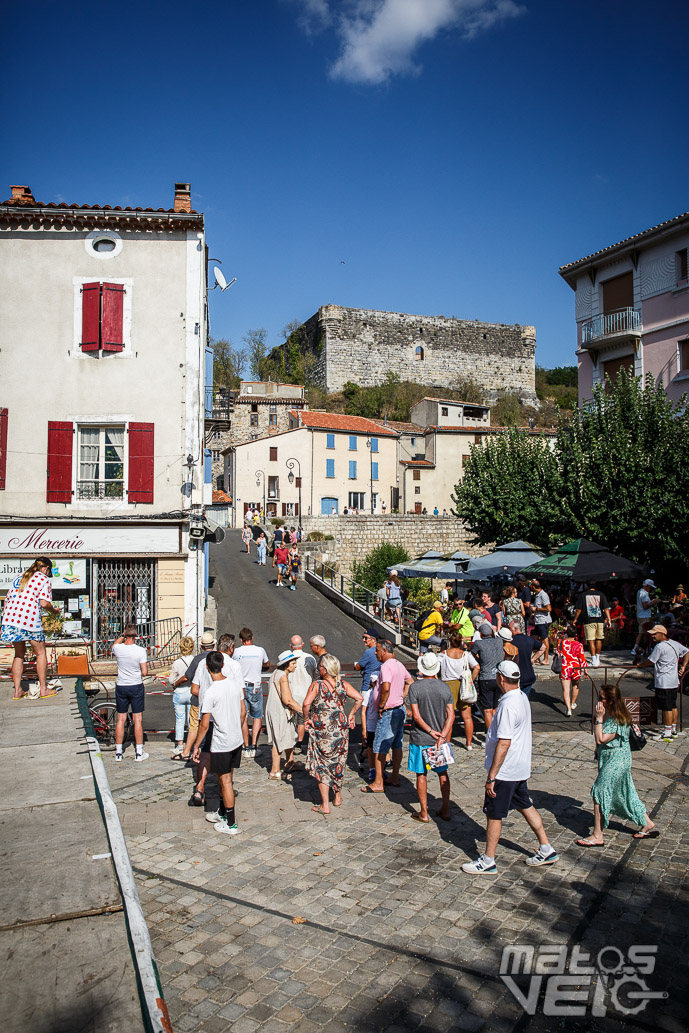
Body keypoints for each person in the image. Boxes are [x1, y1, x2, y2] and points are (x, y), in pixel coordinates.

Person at [462, 660, 559, 876]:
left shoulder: (507, 705)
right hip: (519, 767)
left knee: (494, 814)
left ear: (500, 679)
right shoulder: (522, 697)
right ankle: (546, 847)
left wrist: (492, 776)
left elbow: (504, 742)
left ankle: (488, 860)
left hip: (506, 770)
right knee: (525, 804)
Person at [576, 684, 657, 847]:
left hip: (617, 761)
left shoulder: (618, 719)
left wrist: (598, 718)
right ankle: (647, 822)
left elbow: (600, 739)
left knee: (599, 791)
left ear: (611, 701)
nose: (599, 701)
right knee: (627, 793)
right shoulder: (614, 715)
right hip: (614, 759)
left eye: (601, 698)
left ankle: (597, 835)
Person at [192, 651, 246, 837]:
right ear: (223, 665)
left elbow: (205, 724)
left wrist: (197, 745)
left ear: (207, 668)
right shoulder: (234, 684)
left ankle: (231, 824)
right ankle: (222, 813)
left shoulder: (211, 692)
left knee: (225, 781)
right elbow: (242, 712)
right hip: (236, 739)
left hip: (222, 741)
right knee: (227, 778)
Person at [303, 653, 363, 814]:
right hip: (340, 727)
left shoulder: (318, 685)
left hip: (322, 727)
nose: (318, 668)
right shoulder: (343, 684)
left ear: (325, 670)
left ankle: (325, 805)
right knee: (338, 761)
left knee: (322, 764)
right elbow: (359, 698)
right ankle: (337, 797)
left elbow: (306, 703)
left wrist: (306, 719)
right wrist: (351, 715)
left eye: (320, 666)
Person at [1, 556, 60, 699]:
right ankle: (43, 689)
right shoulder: (43, 579)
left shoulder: (19, 577)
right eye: (48, 571)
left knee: (18, 654)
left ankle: (18, 691)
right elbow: (44, 603)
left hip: (10, 619)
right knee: (40, 653)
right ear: (46, 568)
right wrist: (54, 611)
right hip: (29, 619)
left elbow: (6, 601)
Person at [361, 639, 413, 794]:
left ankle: (378, 782)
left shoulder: (386, 667)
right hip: (399, 709)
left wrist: (382, 705)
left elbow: (386, 687)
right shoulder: (399, 664)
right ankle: (395, 777)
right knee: (397, 744)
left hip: (389, 710)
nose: (375, 653)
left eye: (377, 650)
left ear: (384, 651)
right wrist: (401, 697)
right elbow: (410, 681)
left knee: (379, 746)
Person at [407, 653, 454, 822]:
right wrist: (442, 735)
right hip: (438, 740)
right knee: (442, 773)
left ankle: (424, 812)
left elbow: (417, 716)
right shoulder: (444, 687)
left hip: (421, 737)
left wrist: (429, 731)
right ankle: (446, 809)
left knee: (421, 774)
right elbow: (451, 715)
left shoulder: (415, 688)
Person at [634, 624, 689, 742]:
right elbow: (686, 652)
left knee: (666, 707)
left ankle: (667, 733)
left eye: (654, 633)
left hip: (664, 681)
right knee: (672, 705)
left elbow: (650, 660)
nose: (652, 636)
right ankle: (673, 729)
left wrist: (640, 665)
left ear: (662, 634)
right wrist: (683, 666)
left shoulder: (659, 647)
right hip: (673, 680)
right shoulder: (674, 644)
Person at [112, 624, 148, 762]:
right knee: (137, 719)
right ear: (136, 635)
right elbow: (144, 672)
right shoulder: (140, 651)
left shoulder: (118, 648)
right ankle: (139, 752)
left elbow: (114, 645)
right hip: (135, 685)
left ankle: (118, 751)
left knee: (120, 719)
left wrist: (122, 636)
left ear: (125, 634)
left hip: (121, 684)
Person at [265, 650, 303, 779]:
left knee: (288, 735)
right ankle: (275, 771)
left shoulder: (276, 673)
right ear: (287, 664)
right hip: (280, 712)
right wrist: (303, 711)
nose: (295, 665)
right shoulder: (283, 677)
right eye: (293, 663)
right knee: (279, 740)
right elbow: (288, 700)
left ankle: (289, 762)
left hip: (275, 709)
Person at [234, 627, 270, 757]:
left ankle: (246, 745)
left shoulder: (237, 652)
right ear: (252, 637)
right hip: (255, 685)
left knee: (243, 716)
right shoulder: (260, 650)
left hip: (241, 686)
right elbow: (267, 663)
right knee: (257, 716)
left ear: (241, 639)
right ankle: (254, 745)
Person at [180, 631, 216, 761]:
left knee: (195, 726)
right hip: (216, 702)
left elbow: (188, 677)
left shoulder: (198, 659)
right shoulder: (217, 659)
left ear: (201, 646)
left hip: (198, 700)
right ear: (213, 645)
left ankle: (187, 750)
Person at [439, 633, 478, 750]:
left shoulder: (444, 654)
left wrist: (437, 679)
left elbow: (435, 666)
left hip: (448, 684)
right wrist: (471, 679)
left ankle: (448, 742)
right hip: (463, 684)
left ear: (450, 642)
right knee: (467, 716)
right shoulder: (466, 654)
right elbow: (477, 667)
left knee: (449, 717)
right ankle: (469, 743)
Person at [288, 634, 319, 754]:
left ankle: (290, 742)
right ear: (303, 644)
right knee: (302, 720)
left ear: (291, 645)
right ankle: (299, 743)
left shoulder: (288, 658)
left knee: (291, 720)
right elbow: (315, 674)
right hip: (305, 694)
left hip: (291, 693)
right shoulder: (310, 658)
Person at [354, 630, 381, 763]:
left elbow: (359, 666)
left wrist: (356, 665)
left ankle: (365, 743)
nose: (364, 640)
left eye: (366, 638)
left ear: (373, 639)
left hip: (367, 687)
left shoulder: (369, 653)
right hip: (379, 687)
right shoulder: (382, 651)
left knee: (364, 713)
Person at [471, 623, 504, 731]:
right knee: (495, 707)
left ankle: (490, 736)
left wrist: (479, 658)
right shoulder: (499, 641)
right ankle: (496, 731)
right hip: (498, 677)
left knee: (487, 710)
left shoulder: (479, 643)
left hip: (486, 677)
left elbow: (472, 654)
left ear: (480, 634)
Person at [169, 635, 196, 757]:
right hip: (191, 691)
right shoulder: (195, 661)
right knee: (192, 720)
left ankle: (180, 745)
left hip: (179, 692)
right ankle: (192, 743)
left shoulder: (177, 662)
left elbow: (171, 679)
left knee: (180, 719)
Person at [573, 582, 611, 668]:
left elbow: (579, 608)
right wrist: (609, 619)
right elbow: (606, 608)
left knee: (590, 640)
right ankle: (597, 658)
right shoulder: (601, 594)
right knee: (599, 639)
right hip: (600, 619)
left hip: (589, 619)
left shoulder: (584, 595)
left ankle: (594, 660)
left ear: (587, 586)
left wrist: (575, 619)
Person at [554, 623, 587, 716]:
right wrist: (585, 669)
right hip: (576, 667)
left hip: (565, 667)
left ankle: (568, 709)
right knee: (575, 686)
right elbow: (582, 658)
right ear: (576, 635)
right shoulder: (579, 645)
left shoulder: (561, 643)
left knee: (566, 689)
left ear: (566, 634)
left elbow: (558, 653)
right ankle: (572, 703)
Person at [508, 619, 544, 698]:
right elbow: (543, 648)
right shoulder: (530, 639)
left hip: (515, 676)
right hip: (528, 675)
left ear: (515, 629)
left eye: (510, 629)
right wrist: (533, 659)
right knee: (524, 700)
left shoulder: (511, 642)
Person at [632, 579, 655, 656]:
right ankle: (635, 649)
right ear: (647, 586)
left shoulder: (640, 592)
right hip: (644, 615)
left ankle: (646, 648)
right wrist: (654, 602)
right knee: (641, 632)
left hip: (641, 614)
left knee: (645, 633)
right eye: (650, 587)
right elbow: (645, 606)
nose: (650, 589)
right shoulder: (644, 593)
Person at [530, 580, 552, 663]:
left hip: (543, 620)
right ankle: (536, 656)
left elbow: (548, 608)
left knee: (544, 639)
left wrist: (537, 609)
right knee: (534, 637)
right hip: (538, 620)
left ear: (533, 587)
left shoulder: (543, 595)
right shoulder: (537, 595)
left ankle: (546, 659)